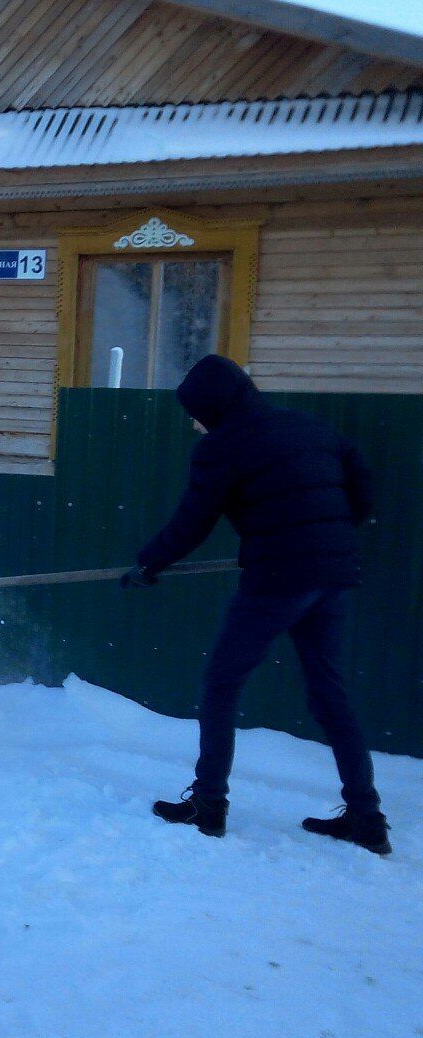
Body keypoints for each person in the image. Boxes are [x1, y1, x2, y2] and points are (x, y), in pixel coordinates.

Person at [123, 354, 388, 855]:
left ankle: (208, 806)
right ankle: (367, 818)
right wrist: (327, 536)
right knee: (329, 693)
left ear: (213, 407)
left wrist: (148, 564)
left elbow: (192, 522)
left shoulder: (222, 447)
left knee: (221, 685)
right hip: (332, 575)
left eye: (195, 413)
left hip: (279, 579)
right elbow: (361, 488)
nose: (193, 424)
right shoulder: (308, 427)